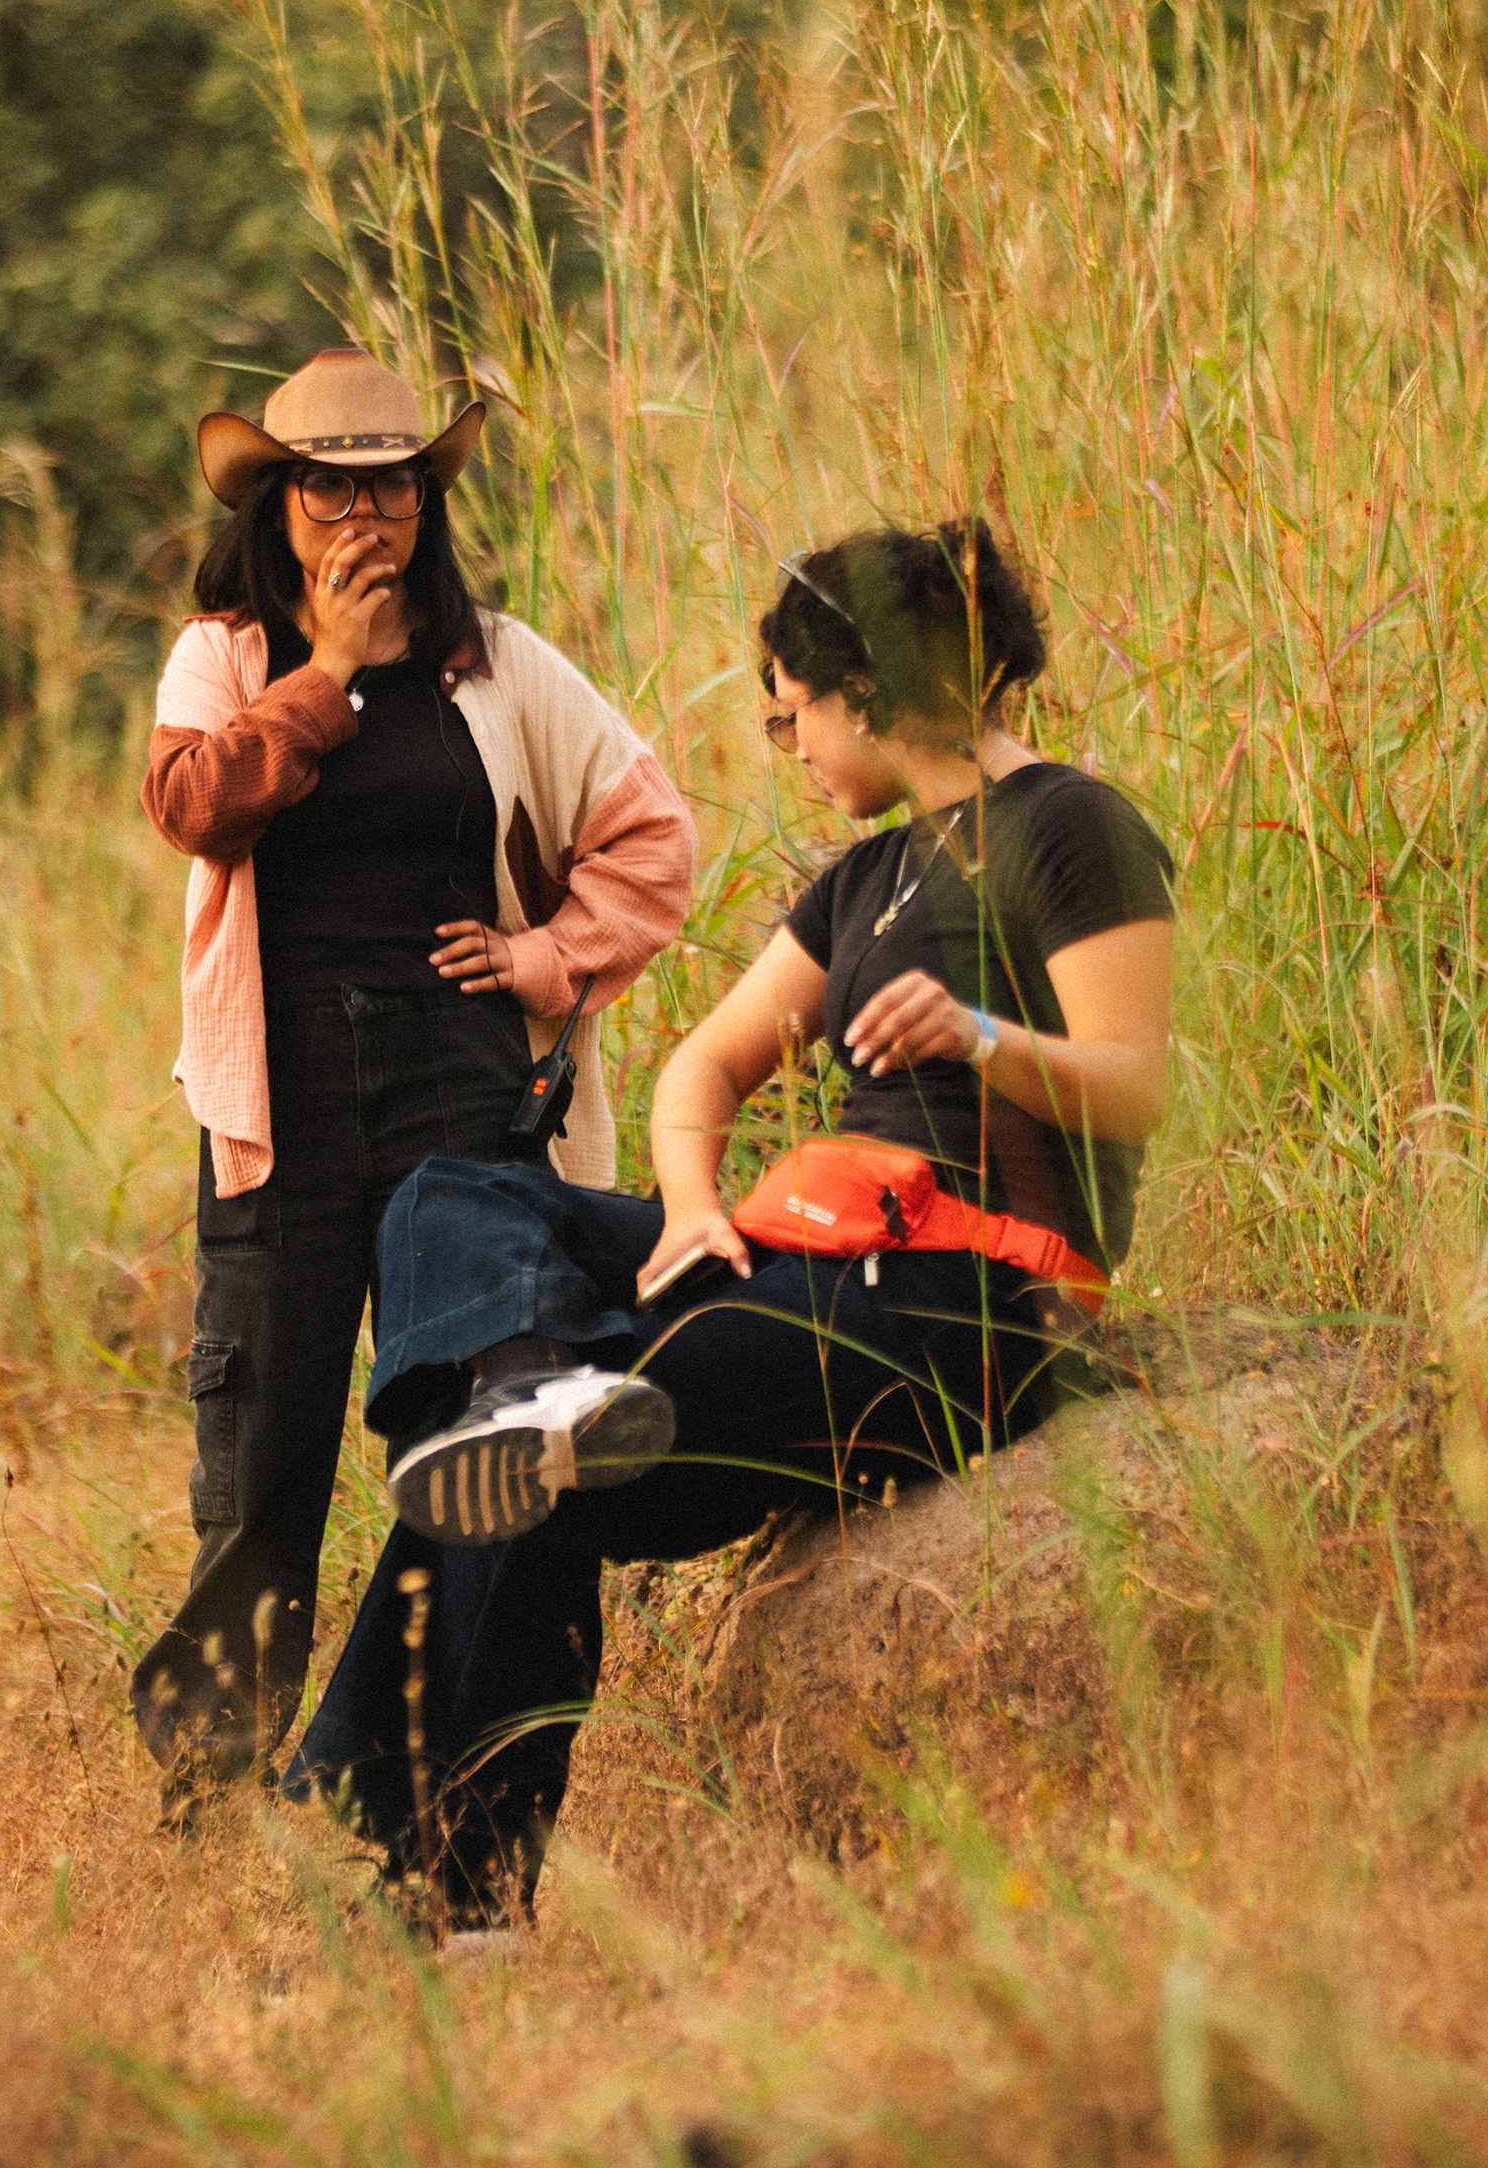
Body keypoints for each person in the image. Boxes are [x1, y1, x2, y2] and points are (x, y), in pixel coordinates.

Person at [287, 517, 1178, 1925]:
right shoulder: (861, 881)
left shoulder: (1072, 827)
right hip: (802, 1252)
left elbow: (1136, 1086)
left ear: (866, 691)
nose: (793, 748)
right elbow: (702, 1068)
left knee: (534, 1462)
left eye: (792, 713)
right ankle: (530, 1376)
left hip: (963, 1290)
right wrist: (692, 1211)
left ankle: (447, 1898)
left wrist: (982, 1036)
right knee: (453, 1196)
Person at [129, 347, 696, 1804]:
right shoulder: (225, 658)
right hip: (282, 1114)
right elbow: (193, 806)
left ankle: (445, 1774)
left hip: (463, 1106)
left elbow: (654, 838)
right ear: (277, 507)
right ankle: (210, 1802)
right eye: (331, 492)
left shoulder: (494, 663)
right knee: (263, 1469)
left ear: (426, 503)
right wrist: (325, 672)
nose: (365, 518)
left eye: (392, 488)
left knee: (480, 1438)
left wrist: (545, 958)